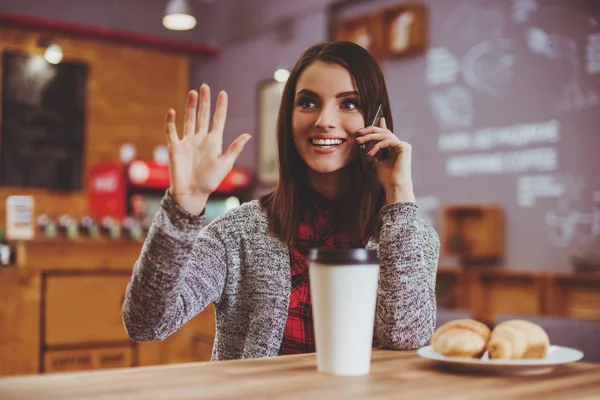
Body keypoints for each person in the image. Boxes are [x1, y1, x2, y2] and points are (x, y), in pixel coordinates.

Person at [122, 41, 440, 360]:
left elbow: (405, 336)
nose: (324, 120)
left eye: (348, 104)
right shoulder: (236, 234)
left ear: (376, 118)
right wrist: (183, 207)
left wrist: (398, 193)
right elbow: (146, 323)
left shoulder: (411, 237)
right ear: (288, 118)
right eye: (308, 103)